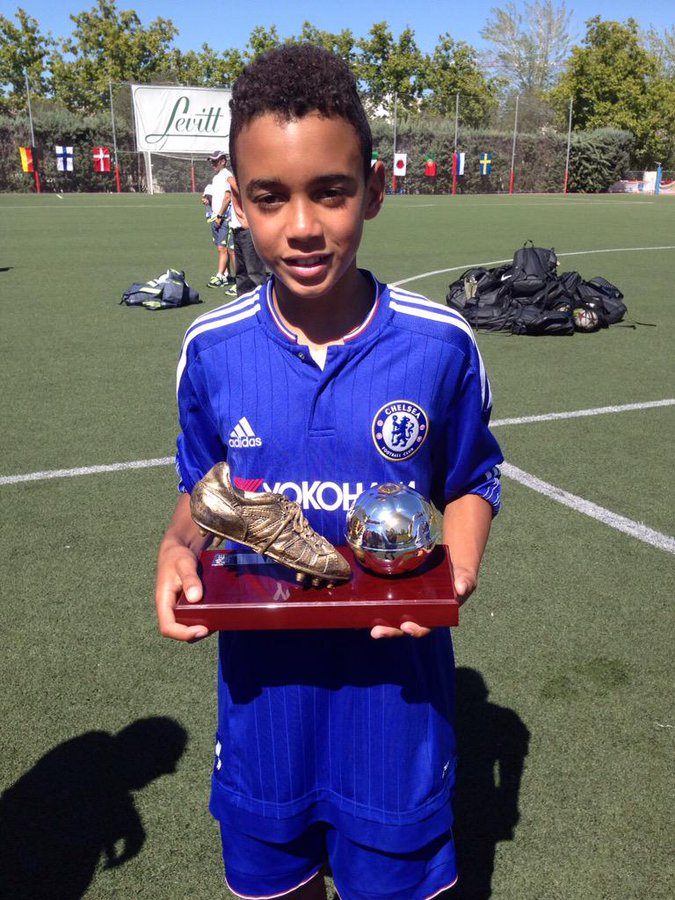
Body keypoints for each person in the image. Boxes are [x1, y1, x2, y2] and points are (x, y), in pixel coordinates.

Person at [155, 44, 503, 900]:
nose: (302, 225)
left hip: (395, 712)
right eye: (270, 198)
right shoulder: (211, 349)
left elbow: (469, 480)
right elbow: (204, 491)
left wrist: (452, 571)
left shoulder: (438, 344)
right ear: (236, 203)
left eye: (331, 192)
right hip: (264, 712)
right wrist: (173, 549)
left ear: (374, 190)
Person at [226, 181, 267, 296]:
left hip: (248, 230)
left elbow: (247, 194)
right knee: (241, 273)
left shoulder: (241, 178)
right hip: (237, 230)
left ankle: (261, 301)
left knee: (254, 272)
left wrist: (232, 181)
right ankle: (242, 301)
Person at [206, 149, 237, 294]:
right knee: (221, 248)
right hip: (215, 216)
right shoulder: (216, 176)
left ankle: (237, 280)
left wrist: (220, 215)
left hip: (224, 218)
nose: (212, 163)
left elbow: (227, 197)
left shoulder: (227, 175)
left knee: (229, 250)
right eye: (211, 161)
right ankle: (226, 275)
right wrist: (208, 200)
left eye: (215, 161)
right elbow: (217, 196)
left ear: (223, 161)